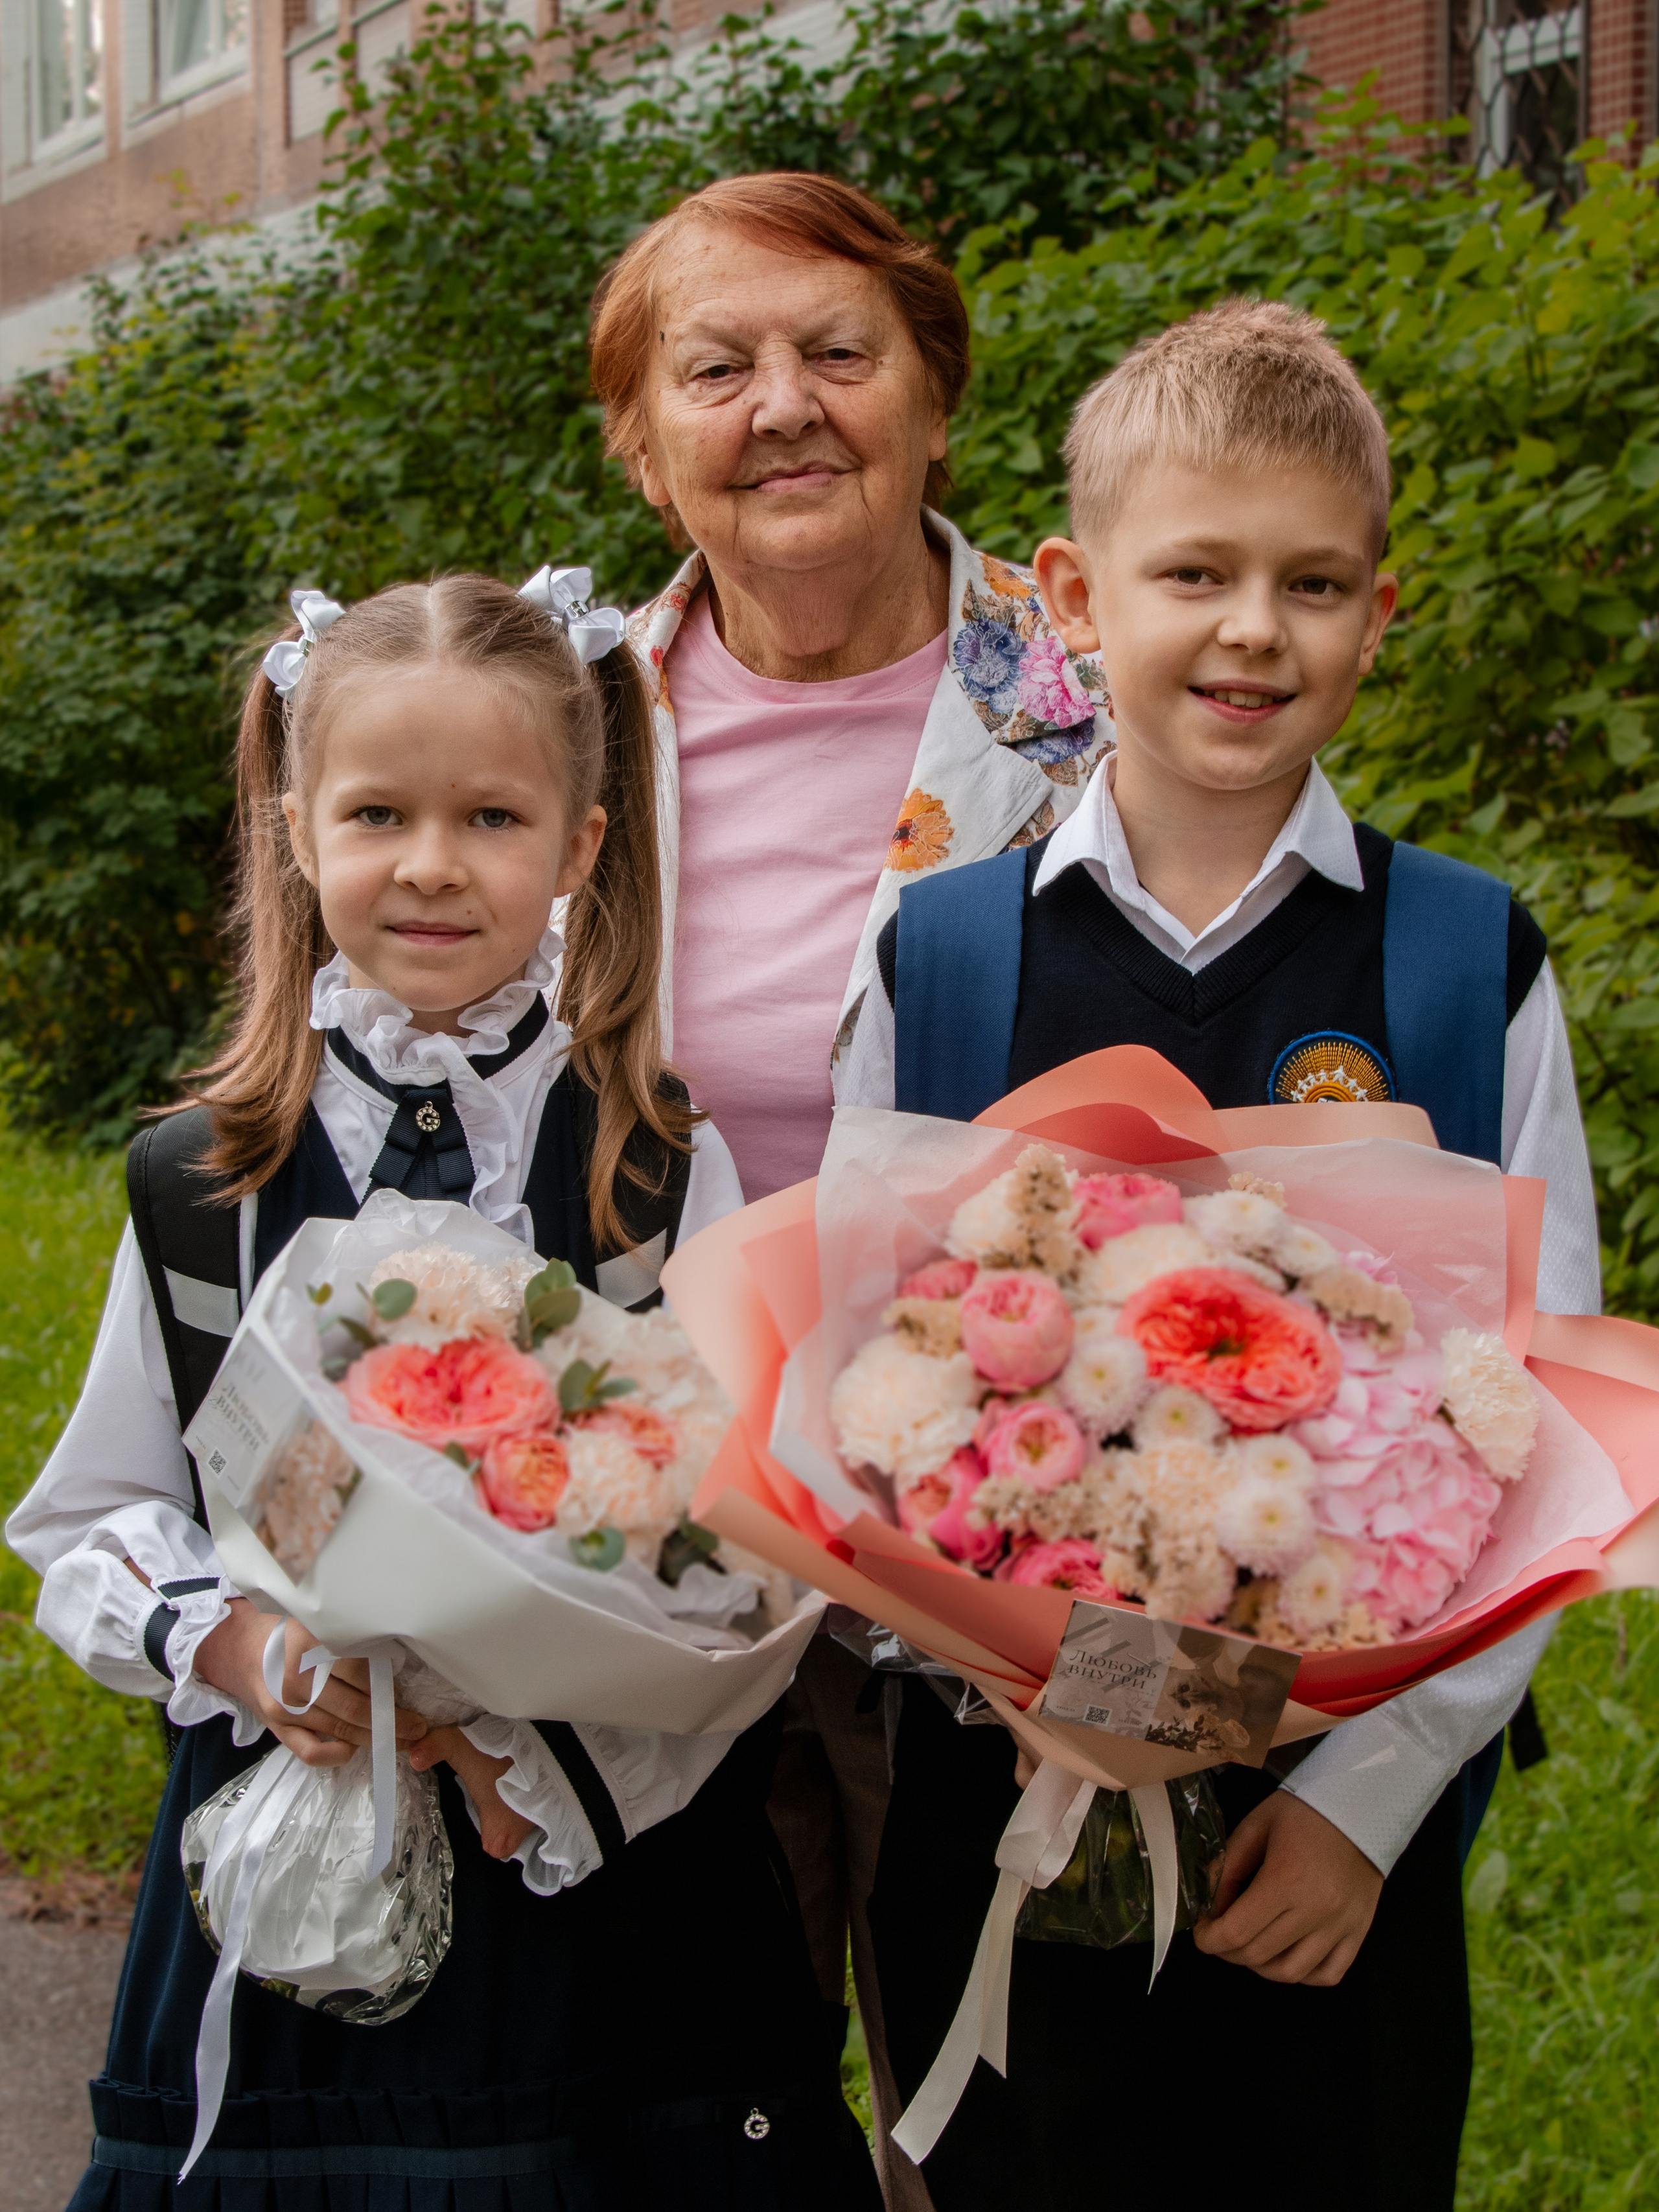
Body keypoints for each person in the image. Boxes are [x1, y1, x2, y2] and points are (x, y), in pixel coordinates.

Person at [842, 299, 1600, 2211]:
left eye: (1313, 582)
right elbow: (840, 1383)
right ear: (1076, 597)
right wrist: (999, 1672)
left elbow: (1558, 1420)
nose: (1256, 628)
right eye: (1198, 572)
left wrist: (1364, 1803)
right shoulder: (939, 957)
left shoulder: (1456, 961)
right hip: (1000, 1804)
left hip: (1325, 1859)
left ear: (1379, 615)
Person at [7, 571, 881, 2211]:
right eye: (377, 813)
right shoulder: (204, 1184)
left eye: (490, 815)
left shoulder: (658, 1164)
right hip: (294, 1894)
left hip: (607, 1902)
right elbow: (94, 1512)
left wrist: (535, 1739)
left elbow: (746, 1549)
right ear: (292, 826)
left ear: (580, 846)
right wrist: (242, 1643)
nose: (428, 864)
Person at [588, 170, 1108, 2206]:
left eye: (839, 352)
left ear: (935, 397)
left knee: (1000, 2106)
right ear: (646, 443)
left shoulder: (1098, 709)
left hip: (1004, 1529)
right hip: (660, 1526)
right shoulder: (565, 727)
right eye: (717, 368)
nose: (784, 405)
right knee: (677, 2102)